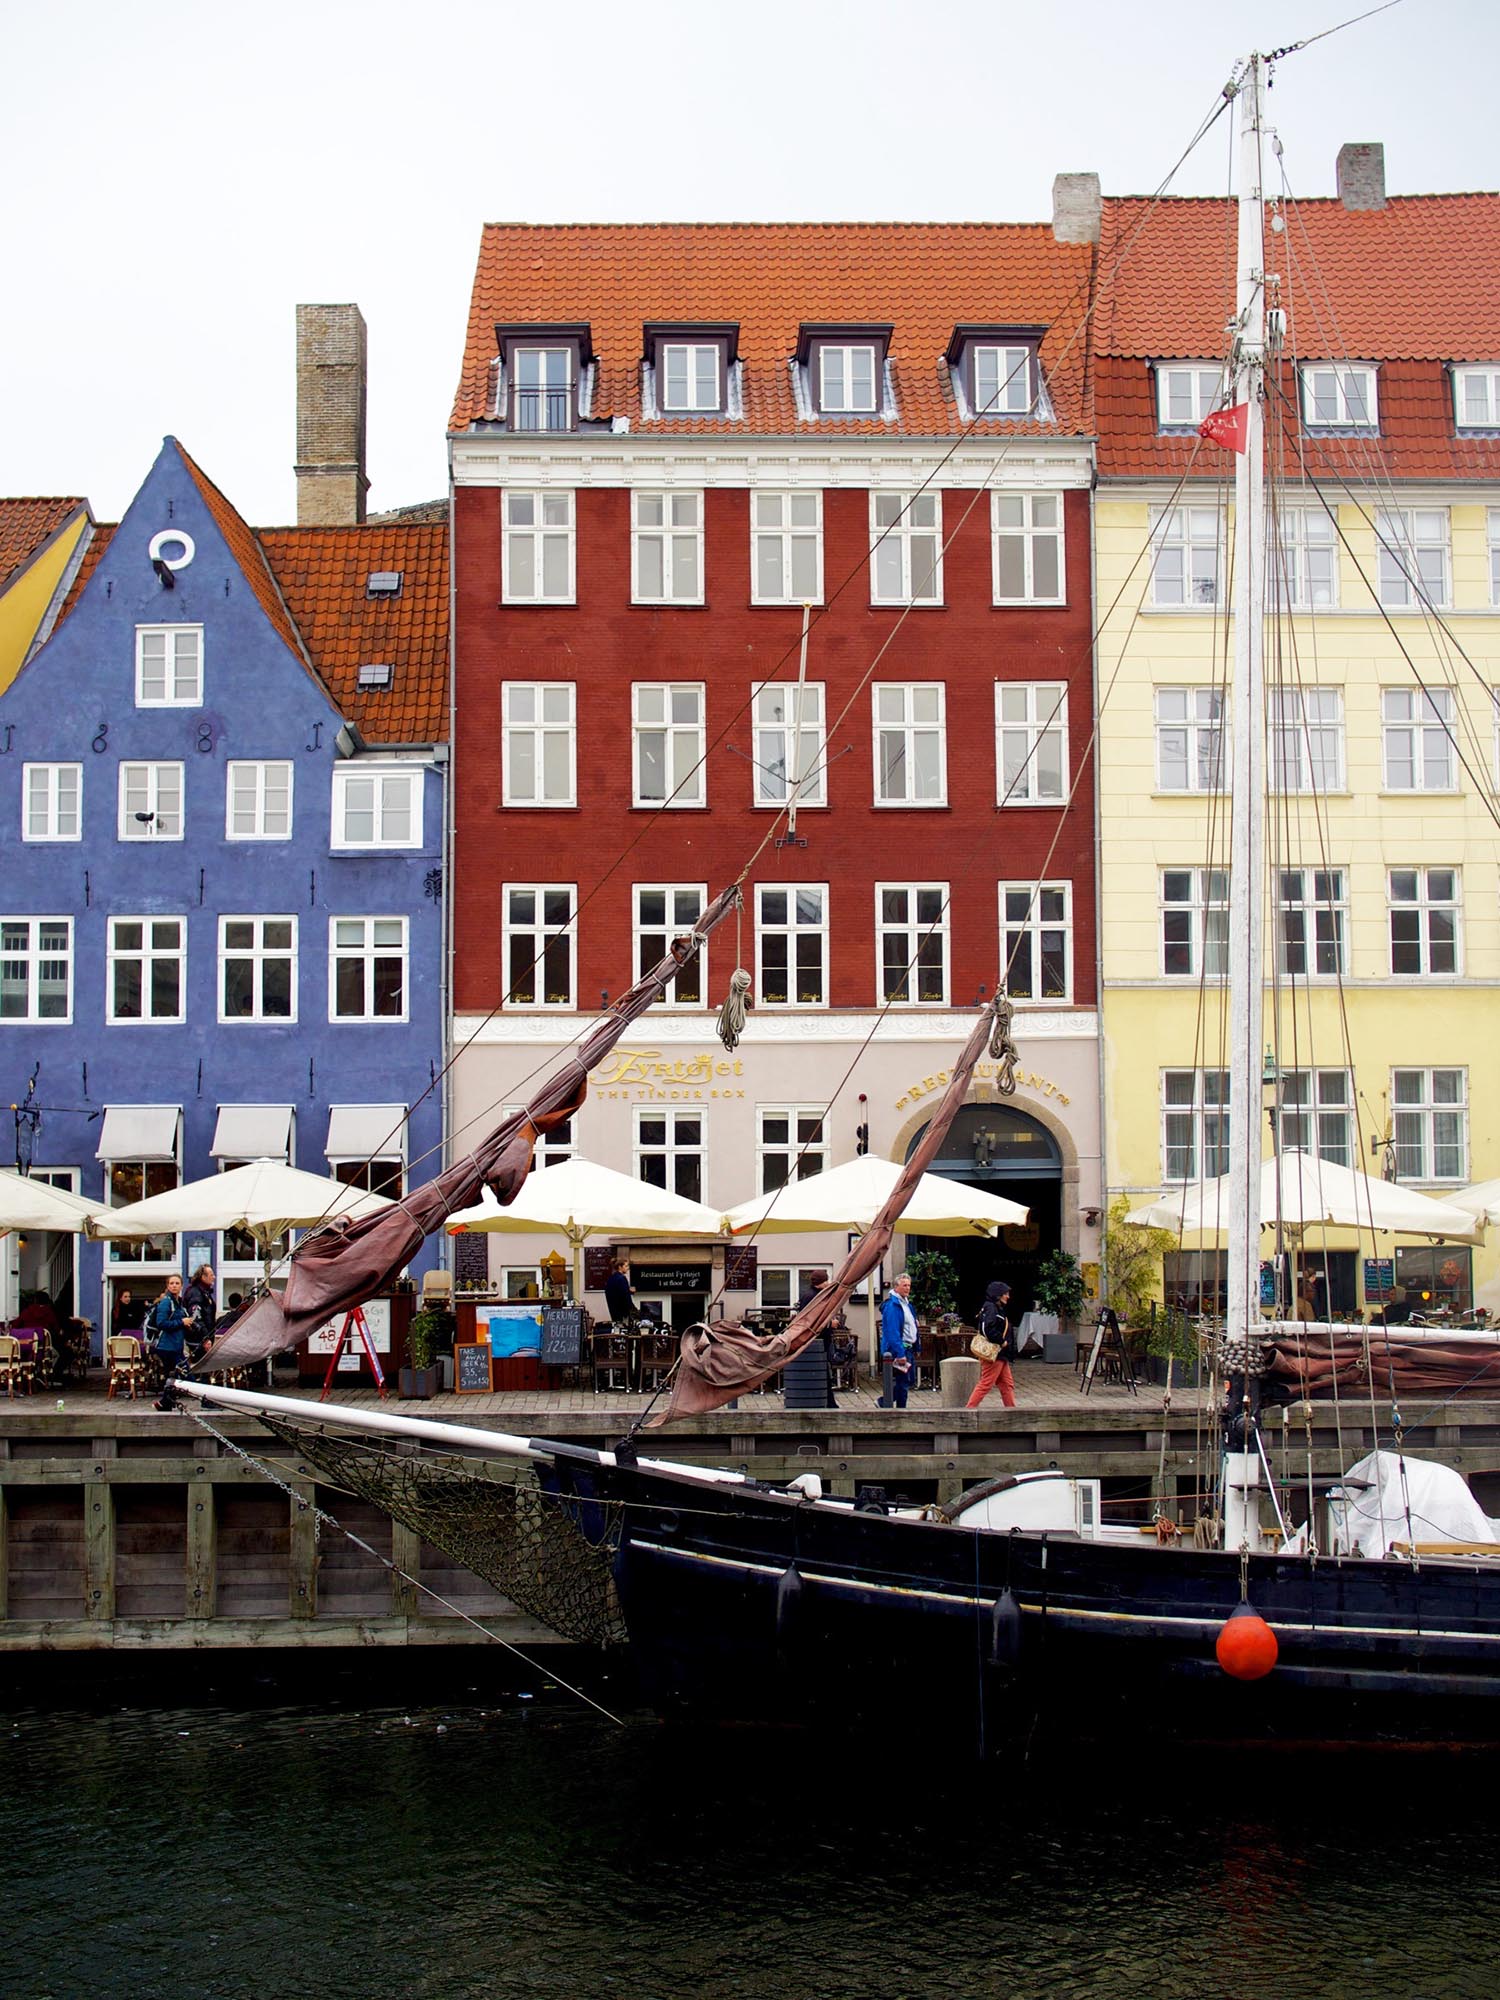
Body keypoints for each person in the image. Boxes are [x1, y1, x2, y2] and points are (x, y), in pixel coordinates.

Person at [782, 1269, 835, 1409]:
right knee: (822, 1370)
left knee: (823, 1370)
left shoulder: (813, 1295)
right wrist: (830, 1323)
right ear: (822, 1282)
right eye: (826, 1280)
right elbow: (810, 1320)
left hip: (819, 1339)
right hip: (817, 1341)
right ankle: (829, 1402)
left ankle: (830, 1401)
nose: (828, 1283)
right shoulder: (812, 1297)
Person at [966, 1280, 1017, 1410]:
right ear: (998, 1295)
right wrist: (1002, 1341)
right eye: (1005, 1294)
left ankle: (1012, 1411)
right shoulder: (991, 1308)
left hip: (1001, 1354)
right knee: (986, 1383)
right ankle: (968, 1410)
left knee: (1007, 1384)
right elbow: (987, 1329)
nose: (1008, 1296)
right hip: (994, 1353)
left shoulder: (995, 1307)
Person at [146, 1274, 194, 1408]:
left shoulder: (178, 1302)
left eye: (177, 1283)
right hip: (167, 1346)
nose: (174, 1285)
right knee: (186, 1374)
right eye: (171, 1283)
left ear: (181, 1286)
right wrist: (181, 1322)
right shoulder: (166, 1302)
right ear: (167, 1286)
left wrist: (187, 1324)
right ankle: (206, 1400)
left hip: (176, 1345)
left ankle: (165, 1403)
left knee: (173, 1375)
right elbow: (161, 1323)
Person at [877, 1273, 919, 1409]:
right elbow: (892, 1332)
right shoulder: (893, 1306)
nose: (907, 1288)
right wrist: (900, 1353)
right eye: (904, 1285)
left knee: (908, 1380)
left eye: (909, 1285)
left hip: (909, 1347)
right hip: (901, 1349)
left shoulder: (907, 1304)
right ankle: (889, 1404)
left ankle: (889, 1403)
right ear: (896, 1287)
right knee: (903, 1382)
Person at [183, 1264, 218, 1358]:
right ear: (203, 1277)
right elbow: (196, 1318)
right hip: (197, 1341)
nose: (214, 1277)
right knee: (200, 1368)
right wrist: (205, 1338)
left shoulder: (205, 1293)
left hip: (204, 1338)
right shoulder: (195, 1293)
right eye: (211, 1275)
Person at [604, 1257, 637, 1325]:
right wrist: (633, 1309)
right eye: (626, 1266)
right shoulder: (622, 1278)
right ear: (620, 1267)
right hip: (623, 1312)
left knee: (618, 1329)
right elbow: (625, 1297)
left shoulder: (610, 1279)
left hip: (613, 1311)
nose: (628, 1268)